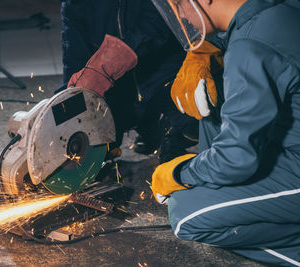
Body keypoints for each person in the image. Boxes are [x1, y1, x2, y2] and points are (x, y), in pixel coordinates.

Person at [150, 0, 300, 265]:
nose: (181, 16)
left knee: (186, 215)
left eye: (179, 5)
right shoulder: (278, 10)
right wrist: (207, 52)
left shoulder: (249, 47)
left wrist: (179, 173)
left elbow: (237, 159)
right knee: (211, 100)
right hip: (290, 145)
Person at [58, 0, 199, 160]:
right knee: (99, 142)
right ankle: (147, 123)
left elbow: (155, 26)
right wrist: (65, 107)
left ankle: (173, 136)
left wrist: (105, 66)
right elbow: (74, 63)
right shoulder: (74, 5)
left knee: (192, 118)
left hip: (165, 71)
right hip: (123, 85)